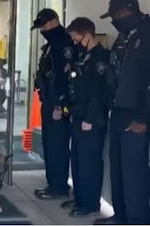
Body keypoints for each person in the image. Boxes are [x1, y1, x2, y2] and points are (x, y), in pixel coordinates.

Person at [95, 0, 150, 224]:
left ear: (127, 10)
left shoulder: (147, 34)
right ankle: (121, 216)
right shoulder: (123, 36)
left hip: (137, 115)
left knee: (134, 173)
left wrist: (145, 120)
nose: (114, 21)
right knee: (117, 169)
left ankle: (137, 220)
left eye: (115, 15)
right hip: (117, 112)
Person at [64, 17, 109, 217]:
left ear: (87, 35)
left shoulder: (100, 58)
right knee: (79, 161)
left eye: (76, 39)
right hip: (79, 114)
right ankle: (80, 199)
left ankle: (90, 204)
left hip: (92, 119)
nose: (75, 44)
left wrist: (90, 118)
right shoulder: (83, 57)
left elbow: (99, 93)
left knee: (90, 162)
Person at [31, 8, 74, 200]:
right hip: (48, 101)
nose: (42, 30)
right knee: (49, 144)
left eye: (43, 25)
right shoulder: (51, 45)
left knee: (57, 145)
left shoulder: (63, 43)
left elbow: (64, 80)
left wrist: (61, 105)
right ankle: (53, 183)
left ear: (54, 22)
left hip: (58, 103)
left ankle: (59, 186)